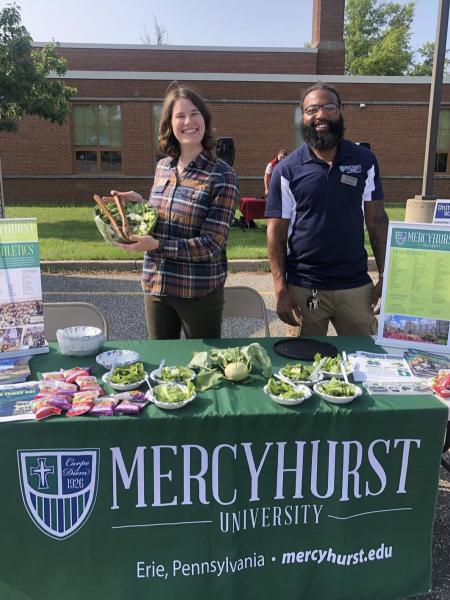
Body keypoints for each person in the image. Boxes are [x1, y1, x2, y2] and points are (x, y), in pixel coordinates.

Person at [106, 85, 239, 340]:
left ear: (205, 119)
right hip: (157, 285)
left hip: (197, 291)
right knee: (163, 365)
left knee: (202, 368)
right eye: (180, 116)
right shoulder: (163, 167)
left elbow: (211, 244)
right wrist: (140, 204)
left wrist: (156, 245)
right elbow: (165, 215)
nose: (188, 122)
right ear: (169, 124)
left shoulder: (222, 175)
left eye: (194, 113)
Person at [265, 83, 389, 336]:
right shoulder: (286, 169)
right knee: (303, 367)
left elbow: (376, 221)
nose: (320, 115)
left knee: (362, 360)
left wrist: (388, 275)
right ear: (303, 116)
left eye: (328, 107)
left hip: (354, 285)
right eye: (312, 109)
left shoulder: (364, 160)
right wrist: (280, 288)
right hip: (303, 287)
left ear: (340, 111)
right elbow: (276, 233)